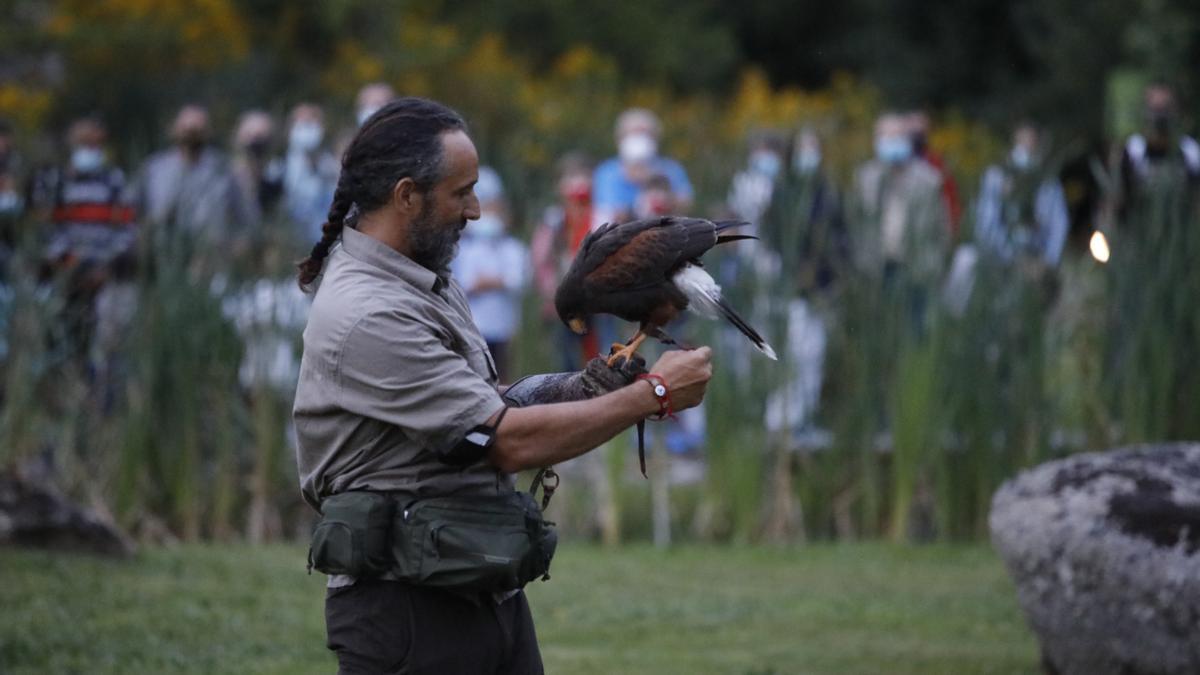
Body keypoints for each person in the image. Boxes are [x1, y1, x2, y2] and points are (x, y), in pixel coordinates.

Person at [292, 96, 712, 673]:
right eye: (461, 193)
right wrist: (653, 396)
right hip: (410, 611)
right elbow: (499, 440)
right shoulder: (370, 311)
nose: (477, 212)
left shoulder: (423, 278)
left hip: (480, 583)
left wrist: (587, 387)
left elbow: (482, 410)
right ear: (406, 194)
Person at [127, 104, 254, 256]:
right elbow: (129, 210)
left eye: (197, 132)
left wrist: (236, 247)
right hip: (163, 258)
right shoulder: (154, 169)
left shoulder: (223, 171)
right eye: (187, 131)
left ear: (207, 133)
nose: (191, 138)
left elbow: (247, 219)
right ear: (174, 131)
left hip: (211, 258)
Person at [851, 112, 950, 286]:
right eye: (886, 136)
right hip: (875, 270)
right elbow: (855, 223)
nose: (891, 141)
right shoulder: (865, 178)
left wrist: (935, 262)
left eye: (897, 136)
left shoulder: (928, 180)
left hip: (918, 269)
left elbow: (942, 226)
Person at [450, 166, 529, 382]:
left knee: (503, 377)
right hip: (474, 328)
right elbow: (463, 284)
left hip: (504, 327)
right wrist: (496, 282)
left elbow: (518, 280)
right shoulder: (463, 249)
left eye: (492, 205)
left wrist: (488, 282)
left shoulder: (512, 248)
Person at [531, 152, 596, 370]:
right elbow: (541, 260)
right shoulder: (554, 219)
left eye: (582, 176)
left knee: (599, 352)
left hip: (598, 304)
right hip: (562, 300)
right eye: (570, 176)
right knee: (567, 359)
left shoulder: (600, 215)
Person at [975, 123, 1070, 271]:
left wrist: (1048, 261)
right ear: (1016, 136)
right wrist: (1004, 254)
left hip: (1036, 255)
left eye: (1032, 136)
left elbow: (1059, 222)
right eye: (1024, 135)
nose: (1028, 141)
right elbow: (987, 219)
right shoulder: (997, 175)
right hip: (1002, 257)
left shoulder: (1047, 180)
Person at [1112, 83, 1200, 222]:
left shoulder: (1190, 151)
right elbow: (1118, 202)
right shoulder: (1133, 150)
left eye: (1165, 108)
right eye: (1154, 108)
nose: (1159, 115)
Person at [591, 108, 693, 227]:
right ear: (620, 139)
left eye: (644, 133)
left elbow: (685, 203)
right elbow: (607, 211)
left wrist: (655, 182)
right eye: (633, 133)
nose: (638, 138)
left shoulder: (671, 169)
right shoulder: (607, 172)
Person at [283, 103, 339, 245]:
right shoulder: (278, 169)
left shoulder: (335, 169)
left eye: (310, 123)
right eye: (301, 123)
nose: (306, 129)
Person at [907, 110, 962, 238]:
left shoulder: (937, 164)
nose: (916, 136)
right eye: (912, 131)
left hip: (930, 233)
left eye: (920, 132)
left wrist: (950, 231)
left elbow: (950, 200)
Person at [230, 110, 284, 226]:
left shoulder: (274, 189)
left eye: (261, 138)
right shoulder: (223, 184)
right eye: (250, 136)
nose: (256, 145)